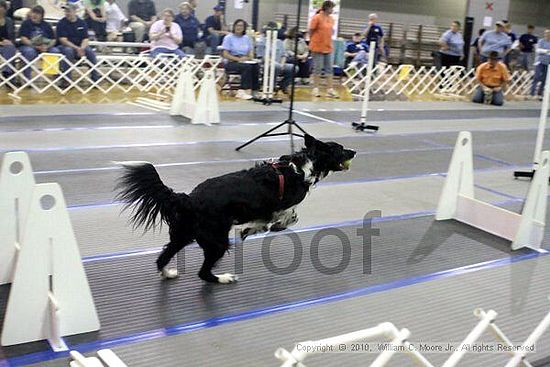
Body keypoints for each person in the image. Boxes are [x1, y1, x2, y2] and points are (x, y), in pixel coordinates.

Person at [56, 3, 99, 83]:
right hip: (64, 46)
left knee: (90, 51)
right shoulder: (61, 23)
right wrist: (77, 48)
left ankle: (95, 78)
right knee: (68, 51)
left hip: (80, 46)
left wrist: (82, 48)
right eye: (66, 11)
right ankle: (66, 79)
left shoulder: (82, 23)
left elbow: (85, 38)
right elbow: (63, 40)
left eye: (69, 11)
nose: (67, 13)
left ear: (75, 12)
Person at [19, 5, 61, 81]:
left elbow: (53, 40)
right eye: (33, 12)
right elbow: (23, 38)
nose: (34, 15)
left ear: (42, 16)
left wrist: (47, 47)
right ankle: (26, 78)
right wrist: (35, 46)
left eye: (37, 13)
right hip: (29, 46)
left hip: (45, 47)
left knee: (55, 51)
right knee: (29, 52)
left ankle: (54, 76)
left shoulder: (47, 25)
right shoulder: (25, 24)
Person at [221, 19, 259, 100]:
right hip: (231, 61)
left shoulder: (247, 38)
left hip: (244, 59)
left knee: (256, 66)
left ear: (244, 28)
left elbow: (251, 53)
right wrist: (238, 59)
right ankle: (242, 90)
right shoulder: (228, 38)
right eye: (237, 25)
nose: (239, 27)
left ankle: (254, 90)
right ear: (234, 27)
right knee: (246, 67)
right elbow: (225, 54)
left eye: (241, 26)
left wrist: (247, 58)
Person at [309, 0, 337, 98]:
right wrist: (313, 41)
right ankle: (315, 89)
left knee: (329, 69)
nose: (333, 10)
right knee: (318, 68)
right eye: (332, 8)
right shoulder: (316, 17)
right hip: (317, 47)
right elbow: (311, 30)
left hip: (328, 47)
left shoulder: (331, 19)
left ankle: (330, 89)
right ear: (327, 8)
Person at [256, 22, 294, 94]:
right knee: (276, 66)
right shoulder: (261, 42)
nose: (273, 32)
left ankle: (283, 85)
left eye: (275, 30)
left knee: (293, 67)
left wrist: (282, 64)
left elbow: (284, 55)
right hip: (267, 64)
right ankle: (272, 87)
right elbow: (261, 56)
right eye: (271, 30)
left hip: (280, 63)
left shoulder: (279, 42)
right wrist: (273, 62)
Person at [531, 29, 550, 100]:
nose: (548, 34)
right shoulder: (541, 41)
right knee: (536, 77)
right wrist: (546, 51)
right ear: (544, 34)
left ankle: (540, 94)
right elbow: (538, 50)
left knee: (544, 79)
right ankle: (532, 93)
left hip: (547, 63)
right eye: (547, 33)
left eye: (549, 33)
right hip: (539, 62)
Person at [0, 0, 16, 79]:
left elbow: (13, 37)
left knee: (11, 48)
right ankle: (8, 72)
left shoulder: (9, 21)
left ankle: (7, 72)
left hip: (7, 46)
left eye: (2, 7)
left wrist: (10, 42)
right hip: (1, 44)